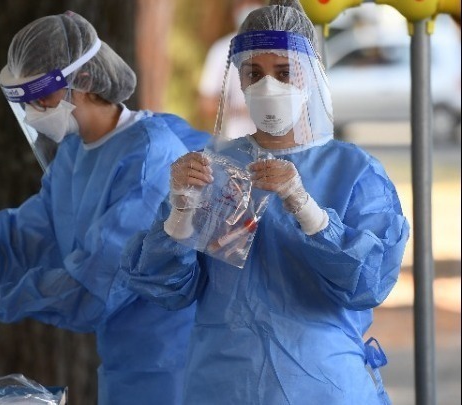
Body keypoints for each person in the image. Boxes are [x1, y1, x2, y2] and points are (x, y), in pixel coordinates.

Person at [0, 11, 209, 405]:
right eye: (24, 101)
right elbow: (16, 241)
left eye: (40, 97)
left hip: (173, 367)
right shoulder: (74, 156)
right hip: (125, 362)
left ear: (83, 81)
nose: (32, 112)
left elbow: (95, 285)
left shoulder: (150, 159)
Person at [121, 0, 410, 403]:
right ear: (238, 79)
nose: (267, 86)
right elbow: (169, 290)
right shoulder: (211, 168)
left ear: (309, 75)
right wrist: (180, 218)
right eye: (254, 73)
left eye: (284, 72)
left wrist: (307, 210)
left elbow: (369, 283)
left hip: (321, 385)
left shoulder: (354, 172)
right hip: (225, 384)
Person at [197, 0, 265, 138]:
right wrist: (240, 110)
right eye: (245, 5)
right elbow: (206, 103)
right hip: (235, 140)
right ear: (235, 10)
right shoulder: (222, 51)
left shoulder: (280, 49)